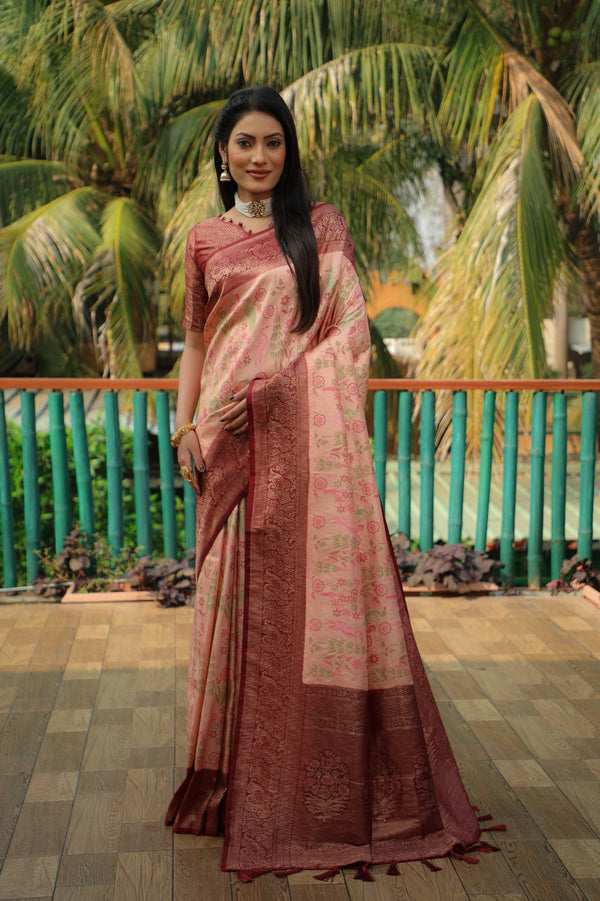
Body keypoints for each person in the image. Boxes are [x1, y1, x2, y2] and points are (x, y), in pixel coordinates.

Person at [165, 85, 484, 880]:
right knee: (230, 608)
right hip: (223, 443)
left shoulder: (323, 227)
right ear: (223, 153)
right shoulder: (205, 239)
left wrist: (270, 399)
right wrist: (185, 424)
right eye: (245, 143)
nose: (260, 157)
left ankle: (305, 784)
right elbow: (197, 346)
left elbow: (347, 336)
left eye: (273, 142)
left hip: (297, 443)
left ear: (290, 150)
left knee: (307, 606)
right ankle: (231, 781)